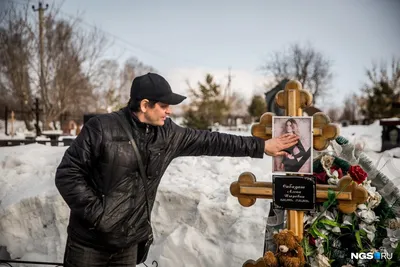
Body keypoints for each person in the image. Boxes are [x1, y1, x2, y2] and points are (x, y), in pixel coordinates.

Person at [55, 73, 299, 267]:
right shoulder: (101, 128)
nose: (169, 111)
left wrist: (261, 146)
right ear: (144, 105)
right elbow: (67, 174)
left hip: (128, 245)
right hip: (89, 244)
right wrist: (99, 216)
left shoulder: (168, 134)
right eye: (164, 106)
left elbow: (211, 141)